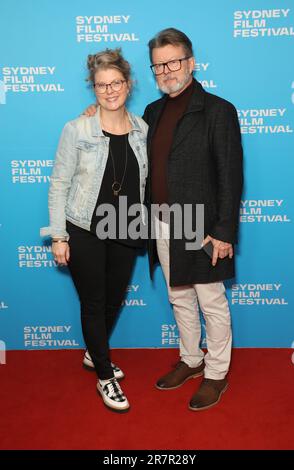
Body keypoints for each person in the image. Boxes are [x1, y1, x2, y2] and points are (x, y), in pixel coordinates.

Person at [84, 28, 243, 411]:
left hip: (199, 222)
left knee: (210, 299)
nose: (166, 71)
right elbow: (119, 130)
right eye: (158, 65)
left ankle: (217, 372)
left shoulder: (218, 110)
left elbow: (231, 174)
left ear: (190, 62)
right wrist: (95, 112)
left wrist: (223, 230)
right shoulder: (152, 112)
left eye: (173, 61)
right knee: (179, 296)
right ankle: (191, 359)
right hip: (162, 220)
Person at [40, 48, 148, 413]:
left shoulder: (142, 129)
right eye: (102, 85)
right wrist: (59, 235)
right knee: (94, 301)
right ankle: (105, 374)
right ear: (94, 88)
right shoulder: (77, 128)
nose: (110, 90)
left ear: (128, 84)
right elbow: (59, 184)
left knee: (114, 299)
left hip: (127, 224)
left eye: (116, 82)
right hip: (84, 226)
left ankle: (93, 354)